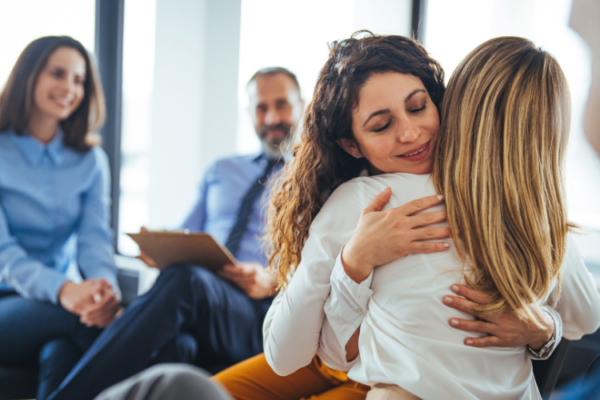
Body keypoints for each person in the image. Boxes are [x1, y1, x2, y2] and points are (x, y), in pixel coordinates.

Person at [263, 33, 600, 399]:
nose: (410, 134)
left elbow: (307, 355)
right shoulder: (536, 213)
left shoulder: (360, 201)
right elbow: (587, 318)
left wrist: (351, 264)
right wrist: (545, 328)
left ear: (446, 103)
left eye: (419, 106)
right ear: (350, 144)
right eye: (381, 126)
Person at [48, 67, 307, 400]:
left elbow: (323, 267)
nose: (271, 116)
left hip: (263, 311)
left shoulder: (314, 177)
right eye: (261, 108)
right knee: (177, 345)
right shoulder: (222, 170)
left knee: (185, 281)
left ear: (302, 105)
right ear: (249, 113)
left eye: (282, 105)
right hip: (204, 298)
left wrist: (272, 279)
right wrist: (160, 245)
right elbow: (189, 233)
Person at [0, 36, 120, 400]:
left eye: (79, 80)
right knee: (75, 320)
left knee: (62, 350)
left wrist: (104, 290)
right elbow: (4, 254)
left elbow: (95, 240)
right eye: (58, 74)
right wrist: (65, 290)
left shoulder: (90, 161)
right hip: (11, 300)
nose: (69, 88)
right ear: (28, 76)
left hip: (56, 303)